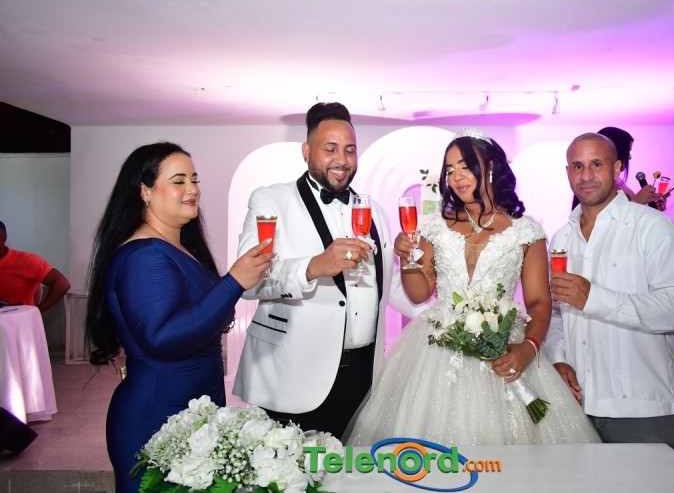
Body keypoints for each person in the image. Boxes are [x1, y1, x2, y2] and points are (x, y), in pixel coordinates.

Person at [346, 129, 600, 446]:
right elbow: (419, 293)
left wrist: (528, 348)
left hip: (505, 347)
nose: (457, 177)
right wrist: (407, 257)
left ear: (490, 166)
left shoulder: (526, 232)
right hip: (438, 350)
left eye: (465, 166)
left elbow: (538, 302)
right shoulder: (436, 227)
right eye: (450, 170)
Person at [84, 142, 273, 493]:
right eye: (179, 181)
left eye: (194, 179)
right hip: (158, 415)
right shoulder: (145, 255)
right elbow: (163, 338)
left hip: (194, 411)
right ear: (145, 191)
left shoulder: (178, 247)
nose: (192, 189)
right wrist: (234, 282)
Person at [233, 102, 420, 439]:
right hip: (291, 376)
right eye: (330, 149)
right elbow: (248, 283)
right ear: (307, 151)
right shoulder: (270, 200)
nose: (342, 160)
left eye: (349, 150)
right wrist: (314, 266)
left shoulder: (374, 211)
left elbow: (387, 286)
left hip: (364, 379)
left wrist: (448, 317)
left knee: (354, 469)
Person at [545, 132, 674, 452]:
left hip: (640, 409)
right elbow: (557, 313)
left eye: (596, 164)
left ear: (616, 169)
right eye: (577, 166)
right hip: (577, 406)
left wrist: (595, 298)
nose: (586, 175)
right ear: (568, 172)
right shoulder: (561, 239)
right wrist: (558, 359)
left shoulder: (652, 227)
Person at [570, 127, 667, 211]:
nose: (629, 157)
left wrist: (651, 209)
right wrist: (637, 201)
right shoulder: (596, 184)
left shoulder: (618, 182)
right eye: (627, 151)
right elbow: (601, 219)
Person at [0, 220, 71, 313]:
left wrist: (37, 312)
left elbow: (62, 284)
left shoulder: (26, 261)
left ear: (4, 237)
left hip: (20, 320)